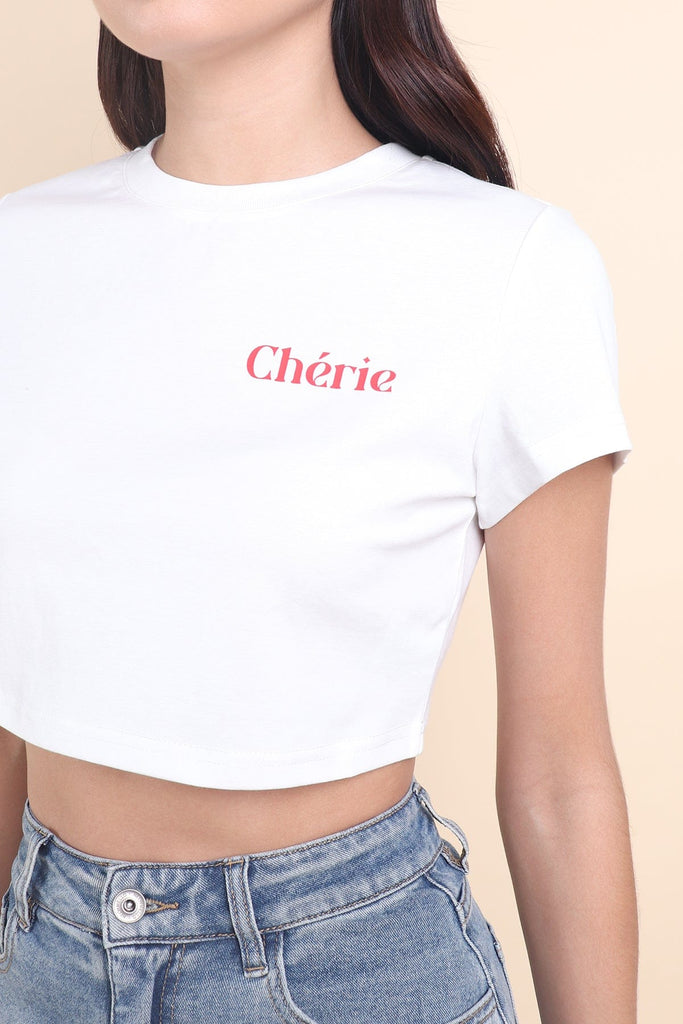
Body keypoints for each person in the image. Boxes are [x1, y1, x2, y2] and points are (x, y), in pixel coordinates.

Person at [0, 1, 639, 1022]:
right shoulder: (20, 253)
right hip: (43, 956)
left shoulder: (506, 264)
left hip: (348, 970)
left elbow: (560, 776)